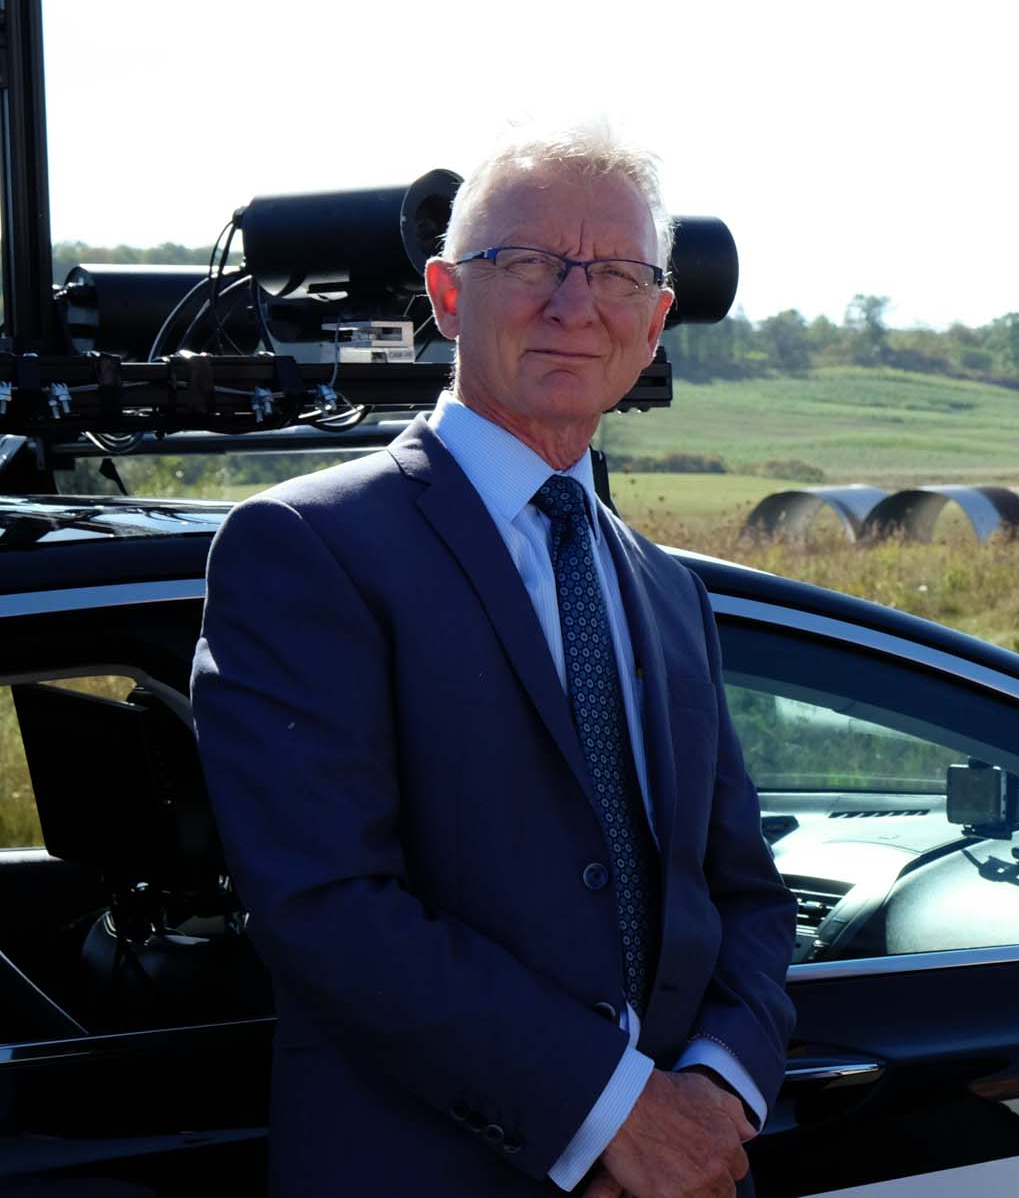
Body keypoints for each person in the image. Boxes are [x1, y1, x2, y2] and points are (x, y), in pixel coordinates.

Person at [192, 125, 795, 1198]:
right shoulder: (308, 549)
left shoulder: (667, 589)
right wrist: (614, 1114)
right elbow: (329, 905)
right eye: (527, 265)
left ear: (655, 322)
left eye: (616, 275)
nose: (574, 306)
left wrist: (715, 1097)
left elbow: (741, 895)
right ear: (446, 294)